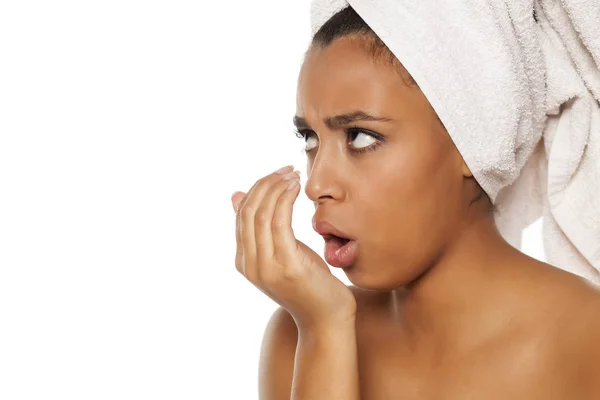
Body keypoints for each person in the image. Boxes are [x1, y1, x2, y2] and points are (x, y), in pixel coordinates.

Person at [231, 6, 600, 399]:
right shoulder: (300, 330)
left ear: (472, 144)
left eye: (359, 137)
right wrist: (325, 328)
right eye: (310, 139)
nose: (316, 183)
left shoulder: (585, 338)